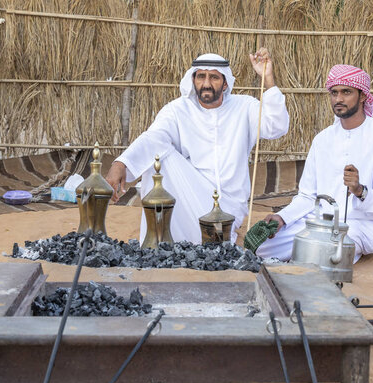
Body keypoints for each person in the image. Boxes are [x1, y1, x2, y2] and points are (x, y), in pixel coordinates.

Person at [106, 49, 289, 244]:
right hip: (193, 194)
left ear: (225, 82)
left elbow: (277, 126)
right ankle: (157, 242)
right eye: (201, 76)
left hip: (230, 205)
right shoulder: (178, 110)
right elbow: (154, 137)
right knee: (158, 157)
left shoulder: (244, 107)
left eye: (214, 78)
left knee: (215, 241)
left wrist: (267, 78)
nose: (207, 84)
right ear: (193, 79)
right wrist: (121, 163)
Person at [257, 64, 373, 263]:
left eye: (346, 92)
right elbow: (307, 196)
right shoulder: (322, 139)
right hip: (319, 221)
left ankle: (345, 251)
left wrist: (360, 190)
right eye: (334, 93)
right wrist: (283, 217)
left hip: (362, 223)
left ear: (362, 96)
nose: (338, 99)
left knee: (323, 255)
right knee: (262, 247)